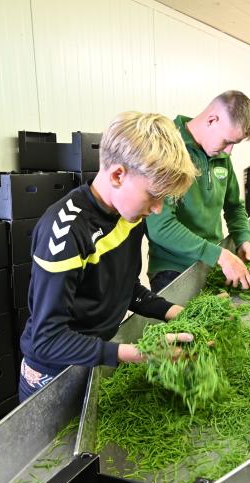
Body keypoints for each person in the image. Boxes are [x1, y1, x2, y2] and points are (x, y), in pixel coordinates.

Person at [18, 112, 198, 402]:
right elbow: (47, 340)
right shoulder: (64, 231)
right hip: (51, 377)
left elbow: (124, 289)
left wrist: (175, 312)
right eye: (153, 195)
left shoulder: (129, 216)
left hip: (92, 360)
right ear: (117, 175)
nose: (157, 209)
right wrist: (137, 353)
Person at [146, 91, 250, 292]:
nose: (229, 151)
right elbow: (161, 227)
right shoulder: (167, 148)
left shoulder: (221, 156)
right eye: (227, 141)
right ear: (212, 120)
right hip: (173, 269)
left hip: (211, 263)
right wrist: (219, 255)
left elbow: (234, 206)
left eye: (234, 144)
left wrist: (243, 239)